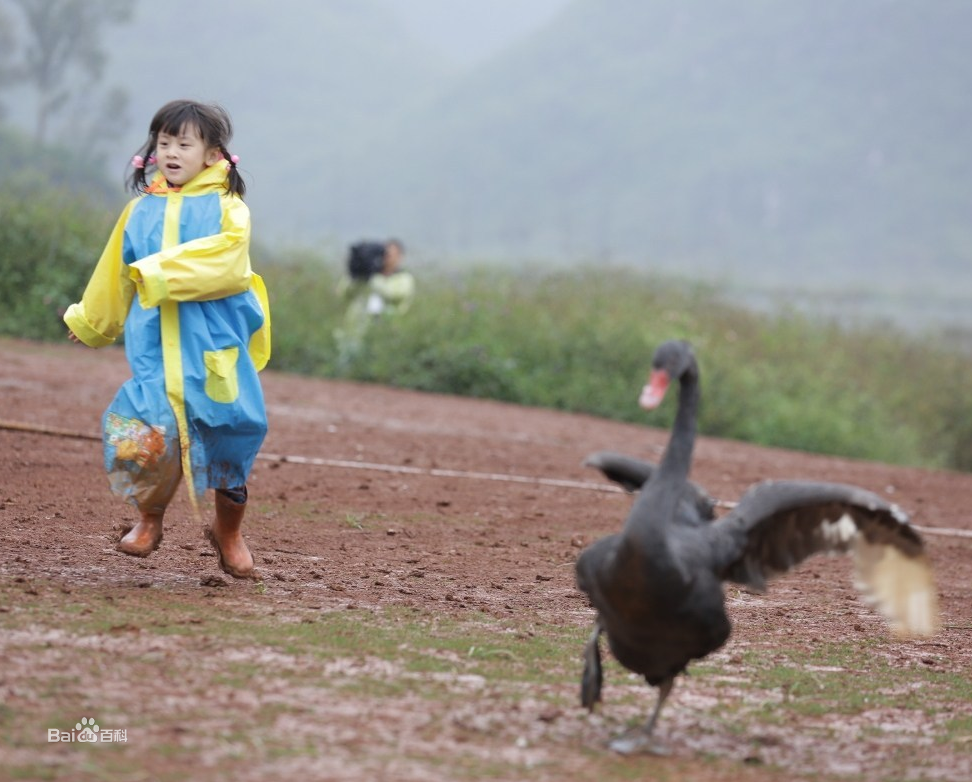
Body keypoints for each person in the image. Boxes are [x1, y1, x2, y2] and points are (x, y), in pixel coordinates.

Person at [63, 99, 271, 579]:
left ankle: (229, 532)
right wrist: (91, 321)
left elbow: (226, 265)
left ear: (213, 154)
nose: (172, 152)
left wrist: (153, 272)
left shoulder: (229, 209)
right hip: (154, 346)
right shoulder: (140, 211)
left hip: (213, 347)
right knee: (144, 429)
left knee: (232, 428)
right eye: (164, 142)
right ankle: (148, 520)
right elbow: (115, 270)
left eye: (184, 143)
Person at [334, 238, 415, 365]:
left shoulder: (403, 278)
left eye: (389, 254)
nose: (385, 257)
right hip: (355, 333)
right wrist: (357, 275)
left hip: (386, 333)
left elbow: (391, 293)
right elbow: (343, 292)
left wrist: (372, 277)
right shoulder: (364, 277)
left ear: (400, 257)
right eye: (383, 254)